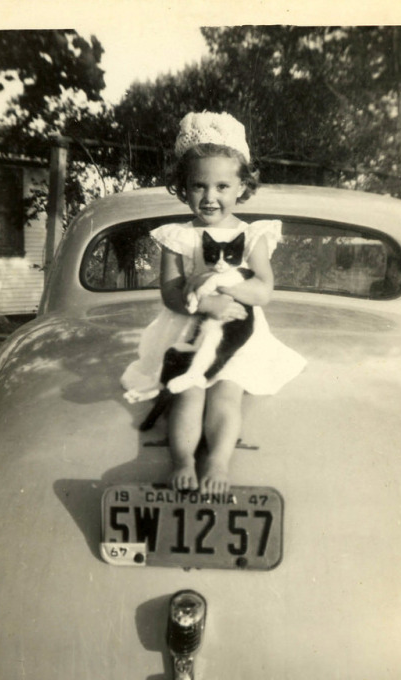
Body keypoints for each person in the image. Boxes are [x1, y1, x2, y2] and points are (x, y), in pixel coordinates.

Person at [121, 111, 306, 493]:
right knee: (188, 393)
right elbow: (171, 294)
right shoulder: (177, 237)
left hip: (238, 333)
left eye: (222, 186)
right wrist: (205, 304)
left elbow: (264, 289)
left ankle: (219, 462)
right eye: (198, 186)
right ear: (183, 187)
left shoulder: (252, 235)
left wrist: (228, 290)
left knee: (227, 392)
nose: (210, 197)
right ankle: (183, 460)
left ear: (242, 187)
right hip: (188, 327)